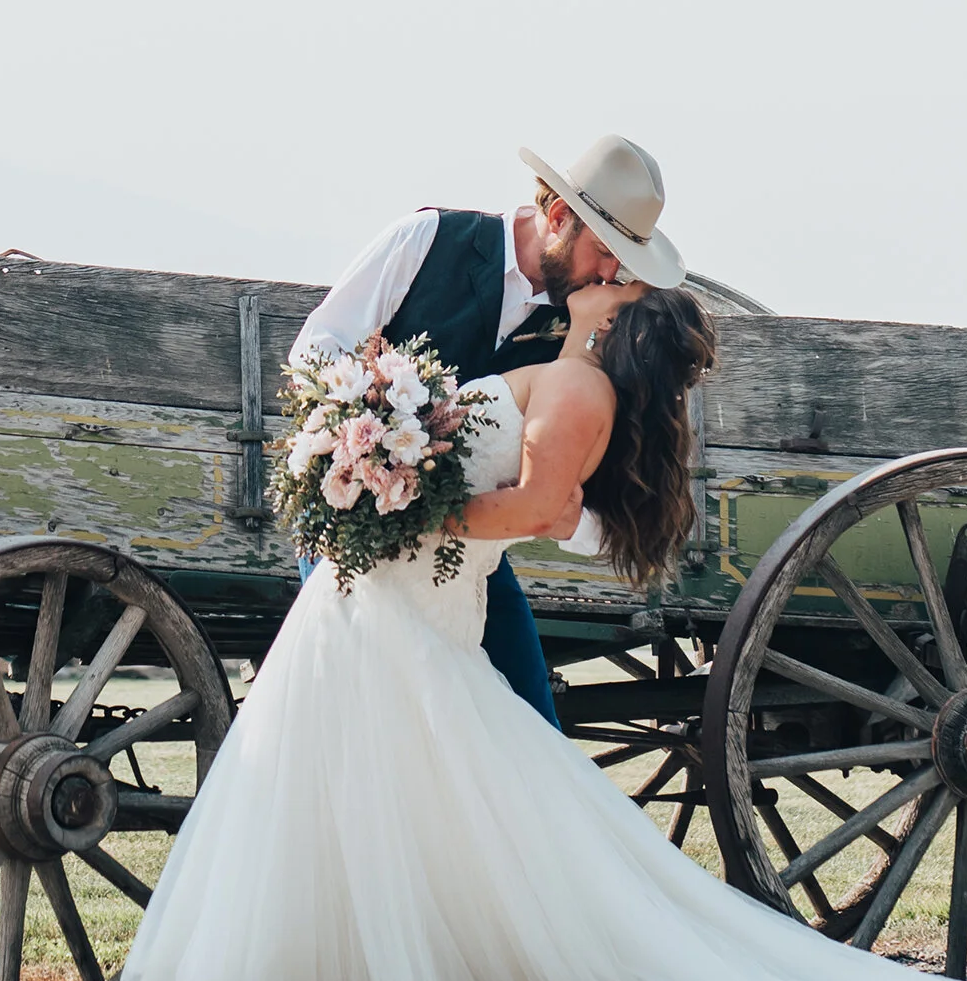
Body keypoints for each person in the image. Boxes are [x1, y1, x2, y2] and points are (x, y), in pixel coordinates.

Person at [123, 270, 967, 981]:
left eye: (613, 283)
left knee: (393, 793)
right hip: (387, 603)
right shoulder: (560, 376)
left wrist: (394, 510)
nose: (599, 277)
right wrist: (377, 464)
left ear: (614, 321)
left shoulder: (580, 391)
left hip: (406, 599)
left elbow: (534, 509)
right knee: (364, 795)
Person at [283, 134, 688, 729]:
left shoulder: (584, 332)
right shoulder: (426, 242)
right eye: (604, 251)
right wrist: (369, 442)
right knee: (360, 719)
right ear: (557, 217)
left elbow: (600, 493)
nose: (609, 274)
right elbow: (317, 354)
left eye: (621, 263)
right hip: (356, 536)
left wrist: (561, 516)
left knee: (532, 725)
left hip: (467, 564)